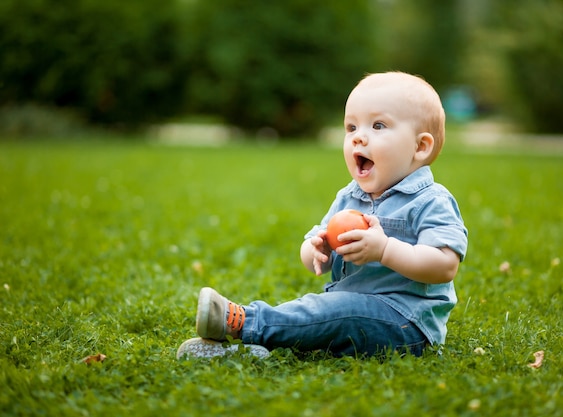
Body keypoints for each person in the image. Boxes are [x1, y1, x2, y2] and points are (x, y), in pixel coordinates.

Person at [177, 71, 468, 360]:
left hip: (407, 323)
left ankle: (243, 322)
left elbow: (444, 266)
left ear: (420, 147)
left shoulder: (431, 200)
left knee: (333, 313)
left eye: (378, 125)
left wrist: (385, 250)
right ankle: (243, 352)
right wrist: (318, 248)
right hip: (347, 307)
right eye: (351, 127)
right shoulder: (349, 197)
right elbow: (313, 258)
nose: (358, 138)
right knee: (318, 312)